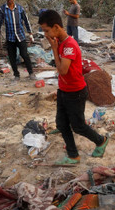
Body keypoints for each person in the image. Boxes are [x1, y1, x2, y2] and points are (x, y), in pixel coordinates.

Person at [38, 10, 108, 165]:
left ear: (56, 27)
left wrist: (54, 49)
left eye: (47, 30)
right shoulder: (60, 42)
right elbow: (61, 70)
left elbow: (62, 70)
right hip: (64, 90)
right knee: (61, 124)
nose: (46, 35)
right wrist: (55, 48)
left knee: (78, 126)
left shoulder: (69, 45)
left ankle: (101, 141)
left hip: (75, 92)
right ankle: (73, 155)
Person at [0, 0, 36, 81]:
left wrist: (30, 34)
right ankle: (16, 75)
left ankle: (31, 73)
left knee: (24, 55)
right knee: (12, 57)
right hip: (10, 37)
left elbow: (26, 21)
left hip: (20, 36)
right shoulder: (2, 9)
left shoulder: (20, 9)